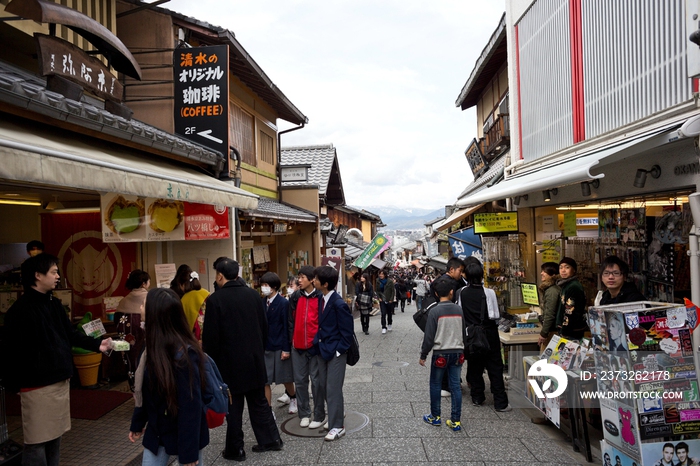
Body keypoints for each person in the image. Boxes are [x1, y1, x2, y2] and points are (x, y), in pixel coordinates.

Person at [1, 253, 111, 466]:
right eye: (53, 272)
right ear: (37, 275)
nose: (58, 276)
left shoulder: (54, 304)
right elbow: (10, 350)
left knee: (55, 438)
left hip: (60, 381)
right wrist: (12, 383)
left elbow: (69, 334)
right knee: (36, 442)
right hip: (36, 385)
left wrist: (97, 344)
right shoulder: (20, 311)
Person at [202, 259, 282, 461]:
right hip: (254, 360)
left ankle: (235, 449)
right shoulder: (253, 296)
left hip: (229, 364)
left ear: (220, 276)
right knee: (259, 402)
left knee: (234, 408)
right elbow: (263, 327)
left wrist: (210, 364)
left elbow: (211, 339)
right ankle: (271, 439)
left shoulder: (215, 300)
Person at [128, 288, 208, 466]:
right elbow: (146, 390)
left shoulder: (185, 354)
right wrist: (138, 423)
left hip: (184, 433)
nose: (140, 307)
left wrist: (188, 453)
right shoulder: (150, 346)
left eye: (144, 305)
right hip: (157, 430)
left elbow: (191, 406)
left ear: (155, 314)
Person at [460, 260, 510, 411]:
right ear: (482, 276)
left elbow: (461, 313)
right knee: (494, 367)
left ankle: (477, 397)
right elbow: (495, 315)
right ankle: (500, 403)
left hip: (472, 334)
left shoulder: (462, 292)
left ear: (467, 276)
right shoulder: (489, 292)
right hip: (489, 333)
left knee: (475, 365)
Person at [311, 266, 354, 441]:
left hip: (335, 351)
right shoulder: (322, 298)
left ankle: (337, 426)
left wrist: (339, 351)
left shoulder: (338, 303)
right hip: (323, 350)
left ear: (325, 283)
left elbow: (347, 332)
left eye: (316, 278)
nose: (314, 281)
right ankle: (335, 416)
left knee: (333, 388)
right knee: (322, 385)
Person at [419, 277, 466, 431]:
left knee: (435, 384)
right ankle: (455, 420)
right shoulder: (459, 310)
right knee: (455, 387)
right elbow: (463, 332)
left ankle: (435, 417)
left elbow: (429, 336)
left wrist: (424, 354)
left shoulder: (435, 311)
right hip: (457, 352)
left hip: (440, 353)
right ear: (452, 292)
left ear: (437, 294)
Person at [288, 265, 323, 428]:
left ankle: (319, 413)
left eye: (302, 277)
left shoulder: (321, 297)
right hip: (298, 346)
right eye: (298, 277)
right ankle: (304, 413)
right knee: (300, 381)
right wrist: (290, 342)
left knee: (316, 382)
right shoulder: (295, 297)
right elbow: (289, 321)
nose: (299, 280)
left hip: (315, 347)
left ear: (312, 279)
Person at [260, 272, 297, 415]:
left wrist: (286, 348)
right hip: (266, 346)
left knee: (285, 378)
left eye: (266, 285)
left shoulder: (283, 303)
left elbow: (286, 327)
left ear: (274, 287)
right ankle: (268, 410)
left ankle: (293, 397)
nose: (263, 288)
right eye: (262, 285)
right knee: (265, 380)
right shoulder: (262, 302)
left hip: (280, 345)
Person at [115, 269, 150, 390]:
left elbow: (118, 324)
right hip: (145, 342)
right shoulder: (150, 298)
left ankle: (134, 389)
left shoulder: (123, 301)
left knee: (131, 363)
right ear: (144, 283)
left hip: (128, 345)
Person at [556, 257, 588, 339]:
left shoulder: (573, 286)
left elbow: (570, 311)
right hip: (566, 329)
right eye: (561, 267)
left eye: (567, 267)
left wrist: (565, 332)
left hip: (571, 331)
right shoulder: (566, 284)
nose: (563, 270)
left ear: (574, 270)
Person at [177, 266, 209, 332]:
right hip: (208, 330)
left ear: (183, 285)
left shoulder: (184, 299)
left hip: (193, 334)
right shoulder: (206, 293)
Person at [537, 262, 561, 350]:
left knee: (546, 361)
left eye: (544, 271)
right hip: (552, 331)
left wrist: (544, 333)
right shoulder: (551, 289)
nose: (541, 273)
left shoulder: (552, 291)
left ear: (553, 274)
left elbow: (550, 314)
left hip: (552, 332)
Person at [376, 270, 395, 334]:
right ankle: (383, 327)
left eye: (382, 274)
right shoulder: (378, 281)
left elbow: (393, 291)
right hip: (382, 299)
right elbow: (377, 291)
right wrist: (379, 297)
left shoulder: (390, 281)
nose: (380, 275)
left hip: (389, 299)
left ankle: (389, 323)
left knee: (389, 313)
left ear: (385, 275)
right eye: (380, 274)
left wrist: (391, 299)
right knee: (383, 313)